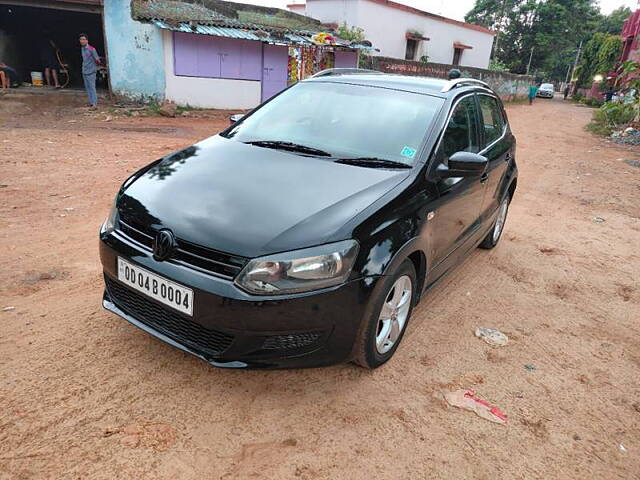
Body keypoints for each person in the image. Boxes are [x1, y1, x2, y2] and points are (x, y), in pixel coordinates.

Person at [79, 33, 101, 108]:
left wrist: (95, 66)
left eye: (84, 39)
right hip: (84, 71)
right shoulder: (82, 48)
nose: (82, 41)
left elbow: (97, 60)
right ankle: (91, 102)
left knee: (92, 87)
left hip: (91, 71)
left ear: (87, 40)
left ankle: (94, 104)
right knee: (87, 87)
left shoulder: (92, 49)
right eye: (81, 39)